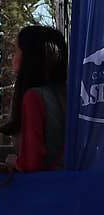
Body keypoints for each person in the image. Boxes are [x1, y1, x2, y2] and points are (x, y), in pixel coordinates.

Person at [7, 24, 67, 173]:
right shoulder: (74, 94)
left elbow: (32, 164)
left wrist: (12, 161)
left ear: (28, 58)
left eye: (15, 51)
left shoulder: (34, 97)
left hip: (46, 191)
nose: (12, 57)